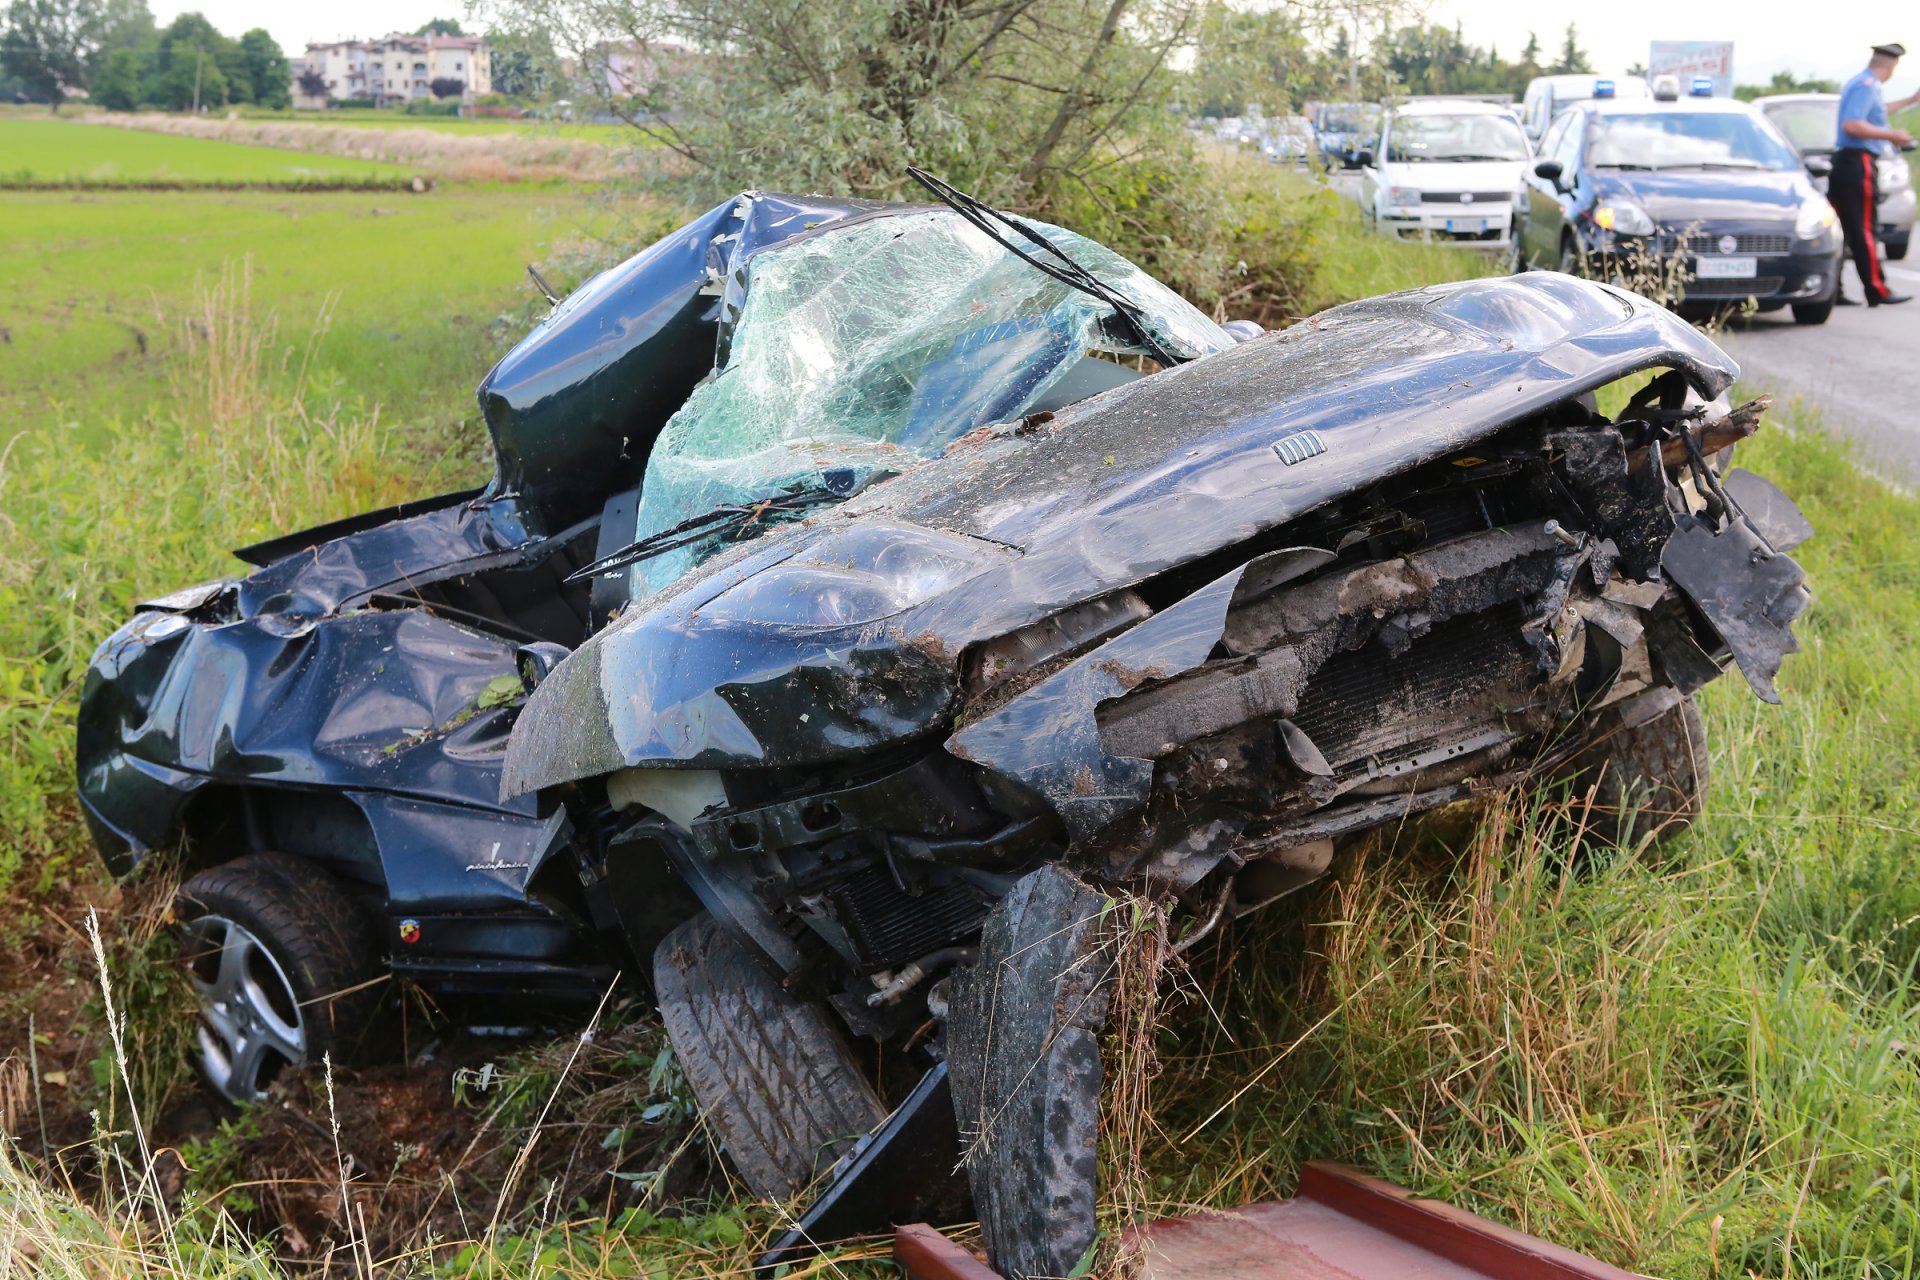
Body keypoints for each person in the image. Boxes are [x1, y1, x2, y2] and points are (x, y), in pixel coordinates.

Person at [1833, 43, 1920, 306]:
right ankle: (1877, 289)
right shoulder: (1867, 85)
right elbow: (1853, 124)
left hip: (1846, 163)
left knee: (1844, 231)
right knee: (1865, 229)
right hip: (1857, 162)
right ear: (1891, 65)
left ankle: (1834, 290)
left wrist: (1910, 100)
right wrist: (1893, 135)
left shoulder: (1862, 83)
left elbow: (1877, 113)